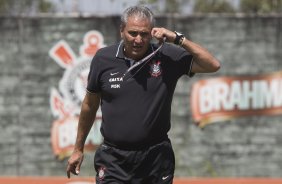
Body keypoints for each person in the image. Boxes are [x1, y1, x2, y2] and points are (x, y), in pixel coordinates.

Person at [66, 5, 220, 184]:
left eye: (144, 34)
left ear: (152, 33)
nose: (138, 40)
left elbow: (213, 65)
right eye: (133, 33)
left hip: (155, 158)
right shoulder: (103, 59)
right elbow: (89, 105)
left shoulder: (166, 56)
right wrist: (78, 149)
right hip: (113, 159)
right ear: (122, 31)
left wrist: (178, 39)